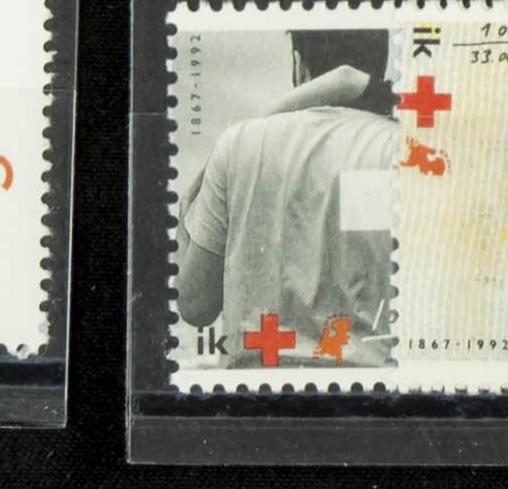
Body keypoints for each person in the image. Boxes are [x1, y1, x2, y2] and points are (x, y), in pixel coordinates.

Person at [161, 38, 407, 353]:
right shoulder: (396, 146)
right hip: (367, 375)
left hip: (257, 375)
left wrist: (186, 208)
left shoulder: (242, 143)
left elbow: (195, 305)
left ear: (298, 64)